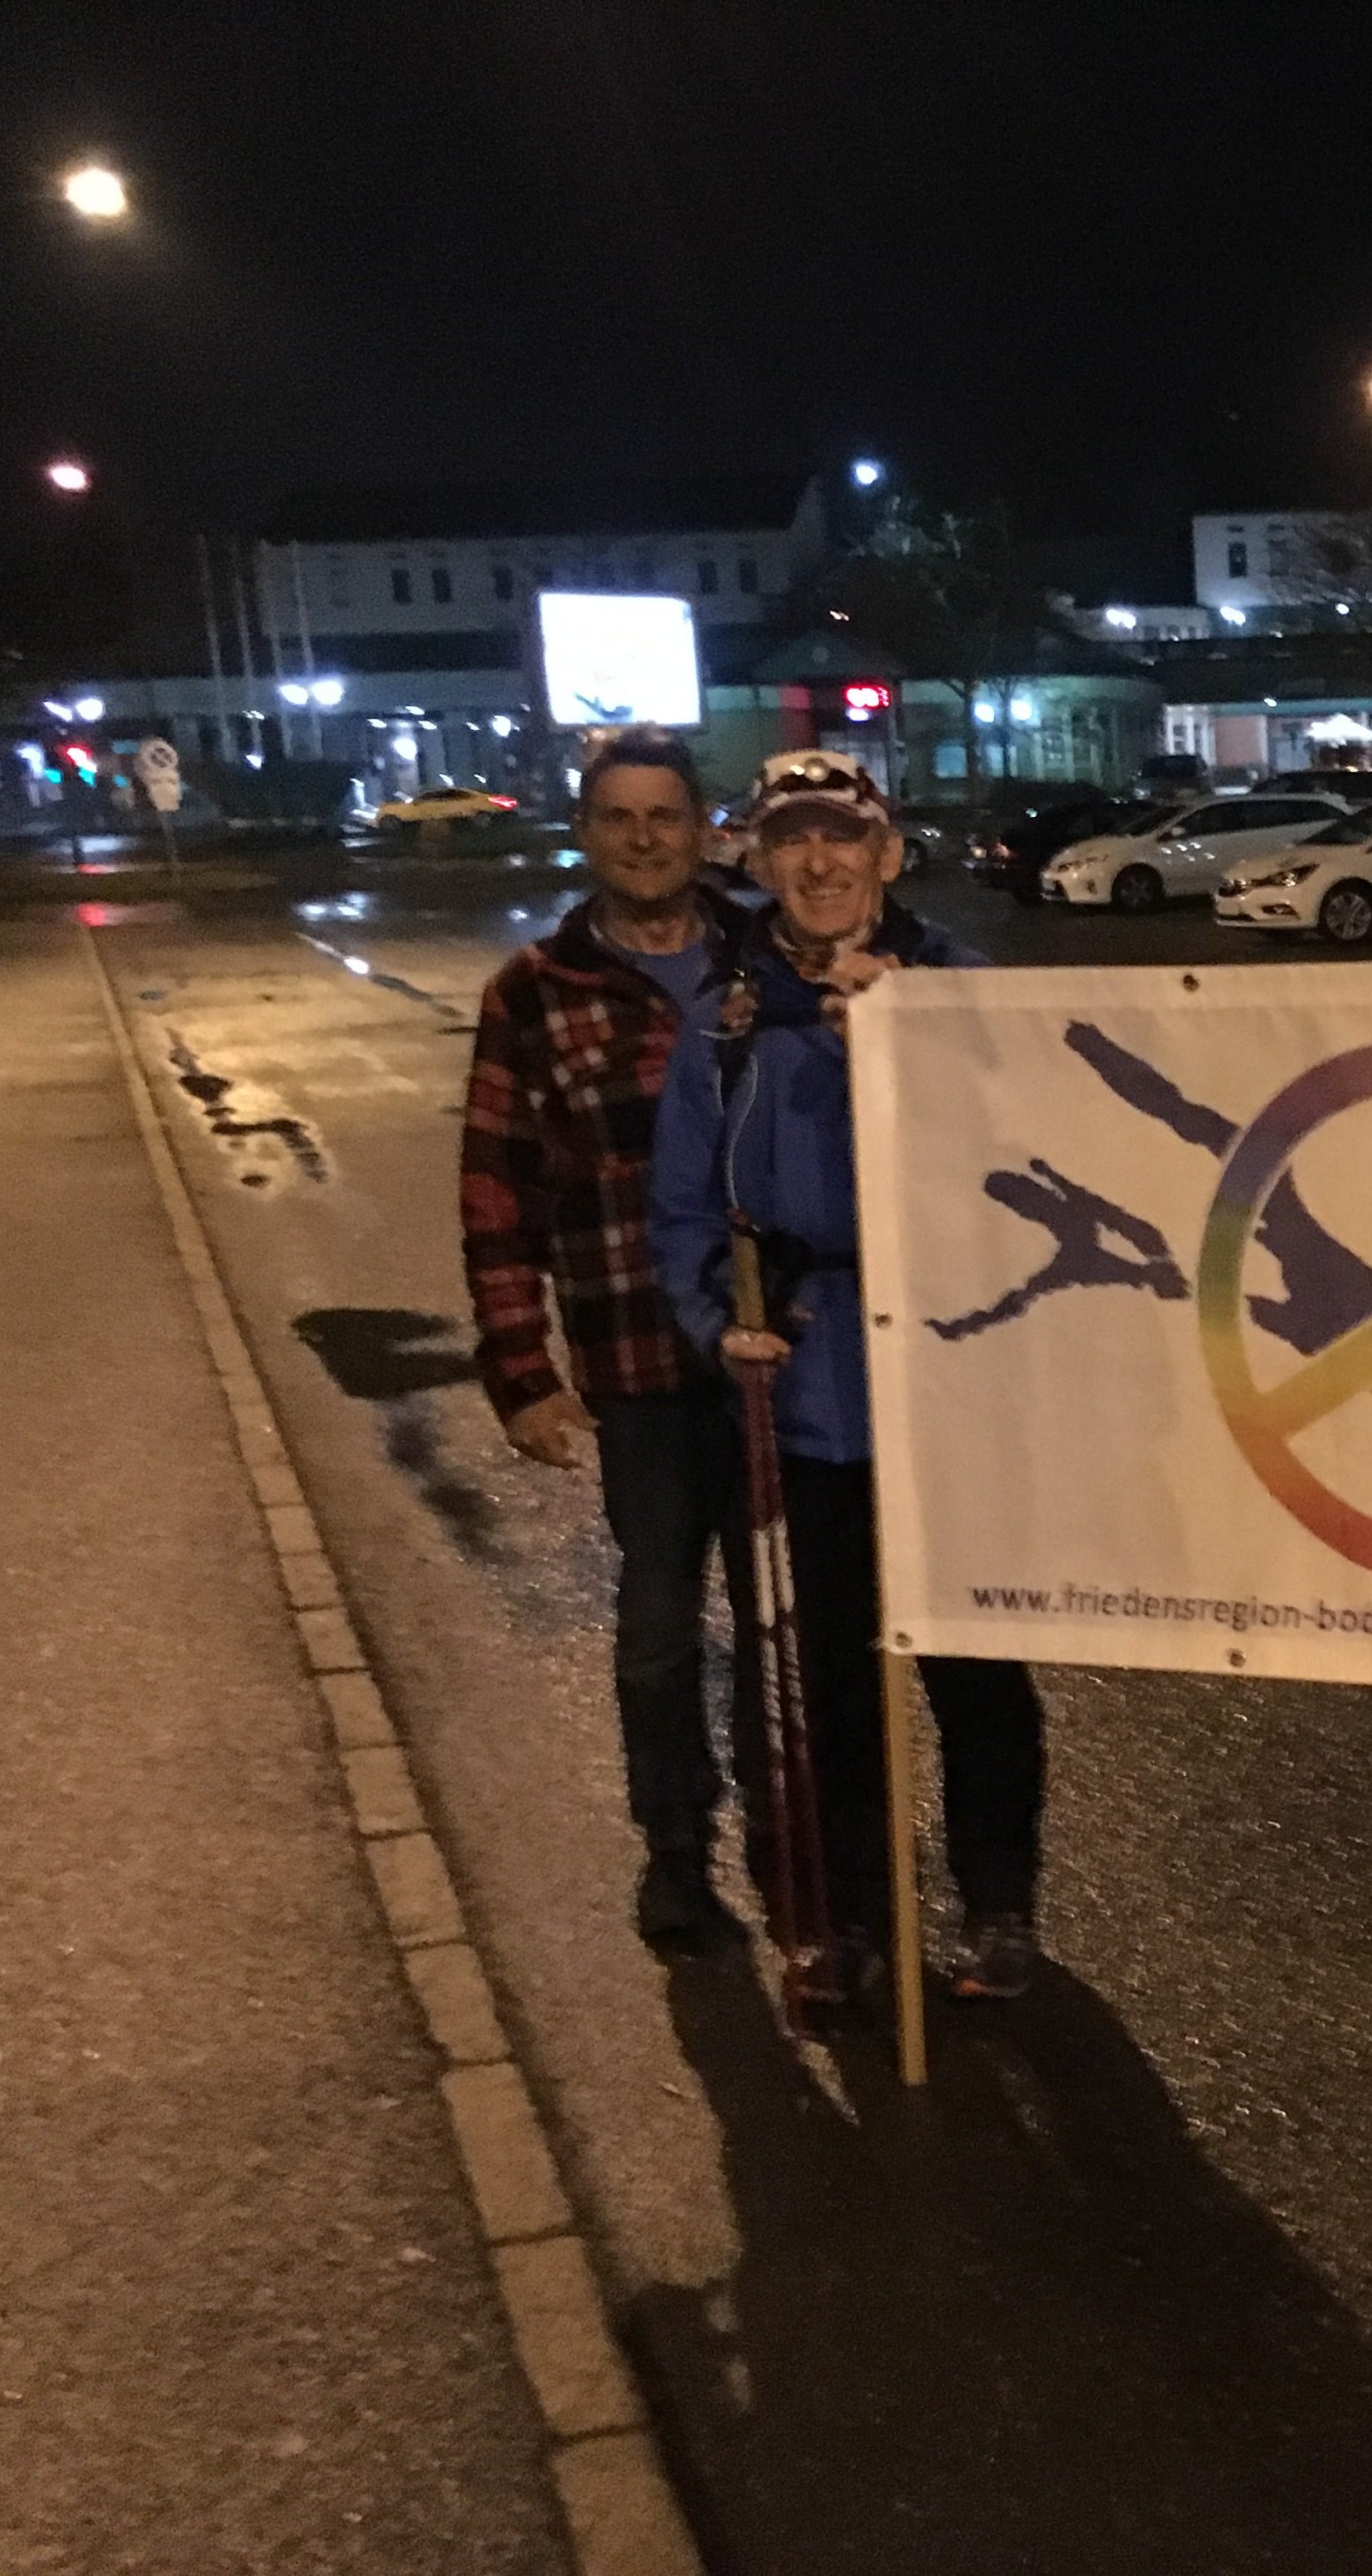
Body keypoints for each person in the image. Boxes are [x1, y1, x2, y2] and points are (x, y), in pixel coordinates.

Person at [648, 749, 1051, 2004]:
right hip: (816, 1389)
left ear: (886, 852)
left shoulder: (964, 992)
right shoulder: (723, 1019)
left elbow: (1041, 1148)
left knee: (977, 1667)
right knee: (831, 1680)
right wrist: (722, 1322)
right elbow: (682, 1210)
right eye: (791, 843)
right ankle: (857, 1923)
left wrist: (915, 1041)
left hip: (955, 1379)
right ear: (759, 865)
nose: (818, 863)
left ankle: (998, 1912)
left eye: (843, 838)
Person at [460, 726, 755, 1955]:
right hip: (640, 1367)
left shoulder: (772, 956)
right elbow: (497, 1194)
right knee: (655, 1630)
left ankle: (813, 1846)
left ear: (703, 829)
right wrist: (520, 1373)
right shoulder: (535, 991)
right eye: (621, 818)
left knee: (803, 1624)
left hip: (786, 1362)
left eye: (666, 817)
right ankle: (678, 1850)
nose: (645, 838)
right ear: (587, 833)